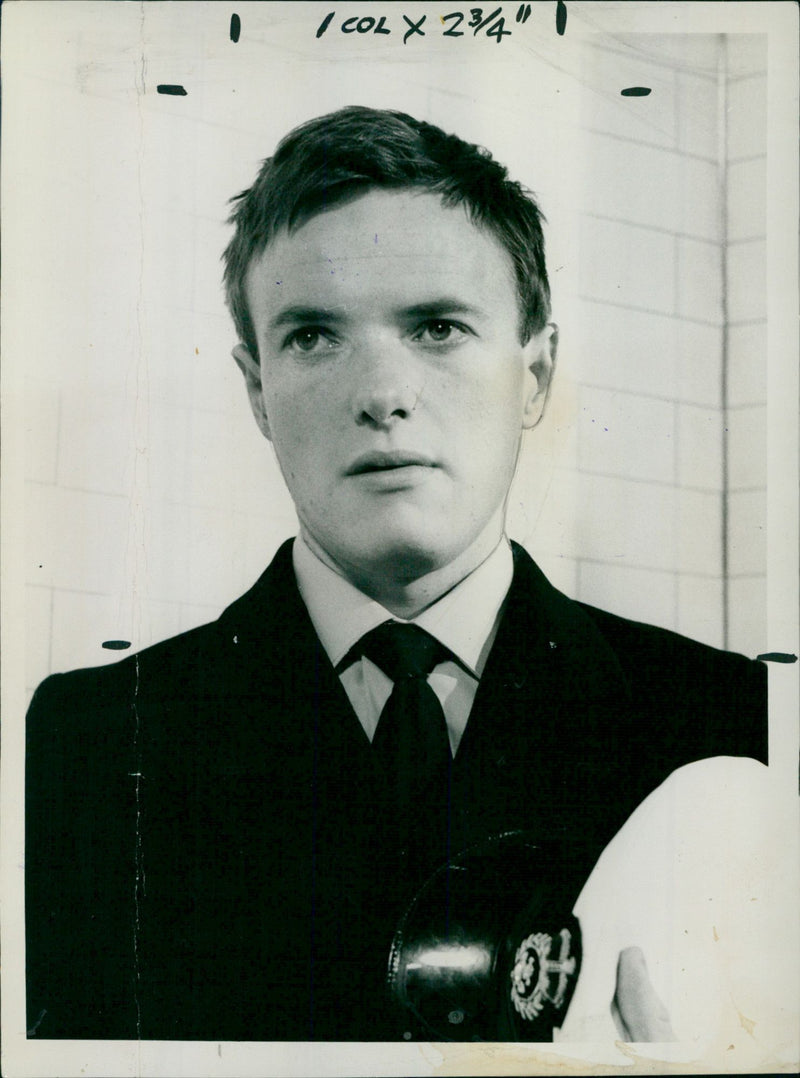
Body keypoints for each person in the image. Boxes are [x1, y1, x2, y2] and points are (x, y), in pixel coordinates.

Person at [25, 106, 767, 1043]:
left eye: (439, 327)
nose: (382, 395)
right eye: (312, 338)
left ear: (534, 374)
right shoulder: (78, 749)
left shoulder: (730, 722)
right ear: (257, 391)